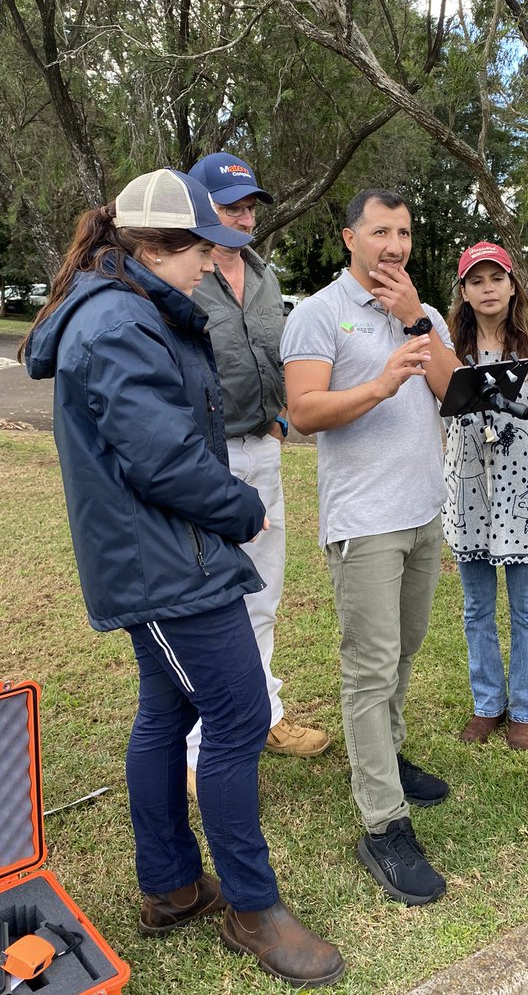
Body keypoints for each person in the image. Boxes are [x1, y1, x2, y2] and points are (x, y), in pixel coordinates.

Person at [22, 169, 344, 986]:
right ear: (156, 247)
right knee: (237, 717)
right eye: (203, 249)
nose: (212, 264)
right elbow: (160, 458)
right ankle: (251, 906)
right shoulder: (118, 325)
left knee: (166, 711)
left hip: (165, 555)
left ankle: (169, 889)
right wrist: (239, 508)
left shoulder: (130, 307)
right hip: (164, 563)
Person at [281, 188, 456, 906]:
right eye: (380, 230)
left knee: (405, 649)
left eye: (405, 231)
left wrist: (415, 317)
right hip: (365, 524)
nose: (394, 244)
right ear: (348, 237)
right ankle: (383, 821)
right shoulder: (320, 314)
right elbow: (303, 413)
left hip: (423, 514)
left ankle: (387, 751)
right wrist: (381, 385)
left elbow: (454, 392)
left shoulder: (425, 312)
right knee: (368, 665)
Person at [183, 151, 330, 789]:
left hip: (263, 447)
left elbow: (286, 358)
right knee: (206, 598)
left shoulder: (267, 279)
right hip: (203, 459)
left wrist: (277, 422)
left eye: (248, 207)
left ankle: (264, 711)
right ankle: (199, 741)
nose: (243, 218)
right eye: (229, 206)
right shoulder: (181, 276)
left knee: (263, 592)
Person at [443, 242, 528, 750]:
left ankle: (526, 709)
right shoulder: (451, 351)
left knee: (527, 608)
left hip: (523, 492)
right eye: (476, 281)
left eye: (496, 278)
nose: (487, 289)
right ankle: (487, 703)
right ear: (463, 292)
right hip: (469, 490)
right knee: (476, 607)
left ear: (513, 285)